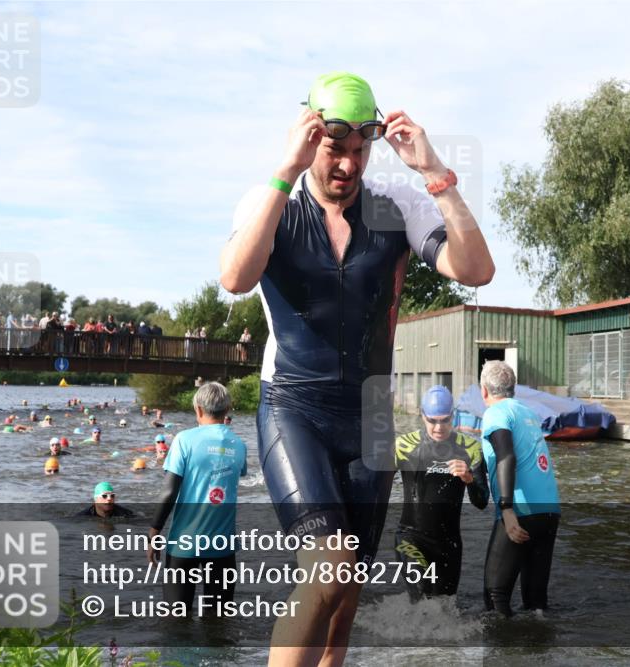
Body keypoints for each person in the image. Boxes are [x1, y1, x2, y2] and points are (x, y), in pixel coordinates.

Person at [219, 71, 494, 665]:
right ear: (308, 137)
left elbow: (475, 270)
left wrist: (435, 172)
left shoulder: (396, 210)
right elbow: (236, 278)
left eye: (358, 151)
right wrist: (284, 171)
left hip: (370, 412)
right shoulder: (271, 204)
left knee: (347, 590)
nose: (347, 164)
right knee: (329, 567)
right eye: (334, 149)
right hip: (295, 404)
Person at [147, 382, 247, 615]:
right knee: (218, 620)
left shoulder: (184, 439)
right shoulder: (239, 445)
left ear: (198, 410)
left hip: (185, 544)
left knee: (176, 618)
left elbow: (169, 491)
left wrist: (154, 532)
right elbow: (237, 474)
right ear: (228, 409)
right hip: (223, 546)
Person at [478, 361, 561, 618]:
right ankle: (538, 649)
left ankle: (502, 654)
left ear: (484, 391)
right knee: (536, 602)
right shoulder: (528, 413)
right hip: (549, 511)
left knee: (495, 597)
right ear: (514, 389)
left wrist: (506, 508)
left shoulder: (495, 413)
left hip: (521, 509)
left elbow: (506, 457)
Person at [394, 386, 488, 601]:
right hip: (411, 538)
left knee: (445, 610)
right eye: (433, 420)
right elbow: (375, 488)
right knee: (420, 604)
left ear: (453, 416)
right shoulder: (403, 446)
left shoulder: (470, 448)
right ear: (422, 415)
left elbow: (481, 501)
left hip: (449, 544)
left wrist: (469, 479)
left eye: (445, 420)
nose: (439, 427)